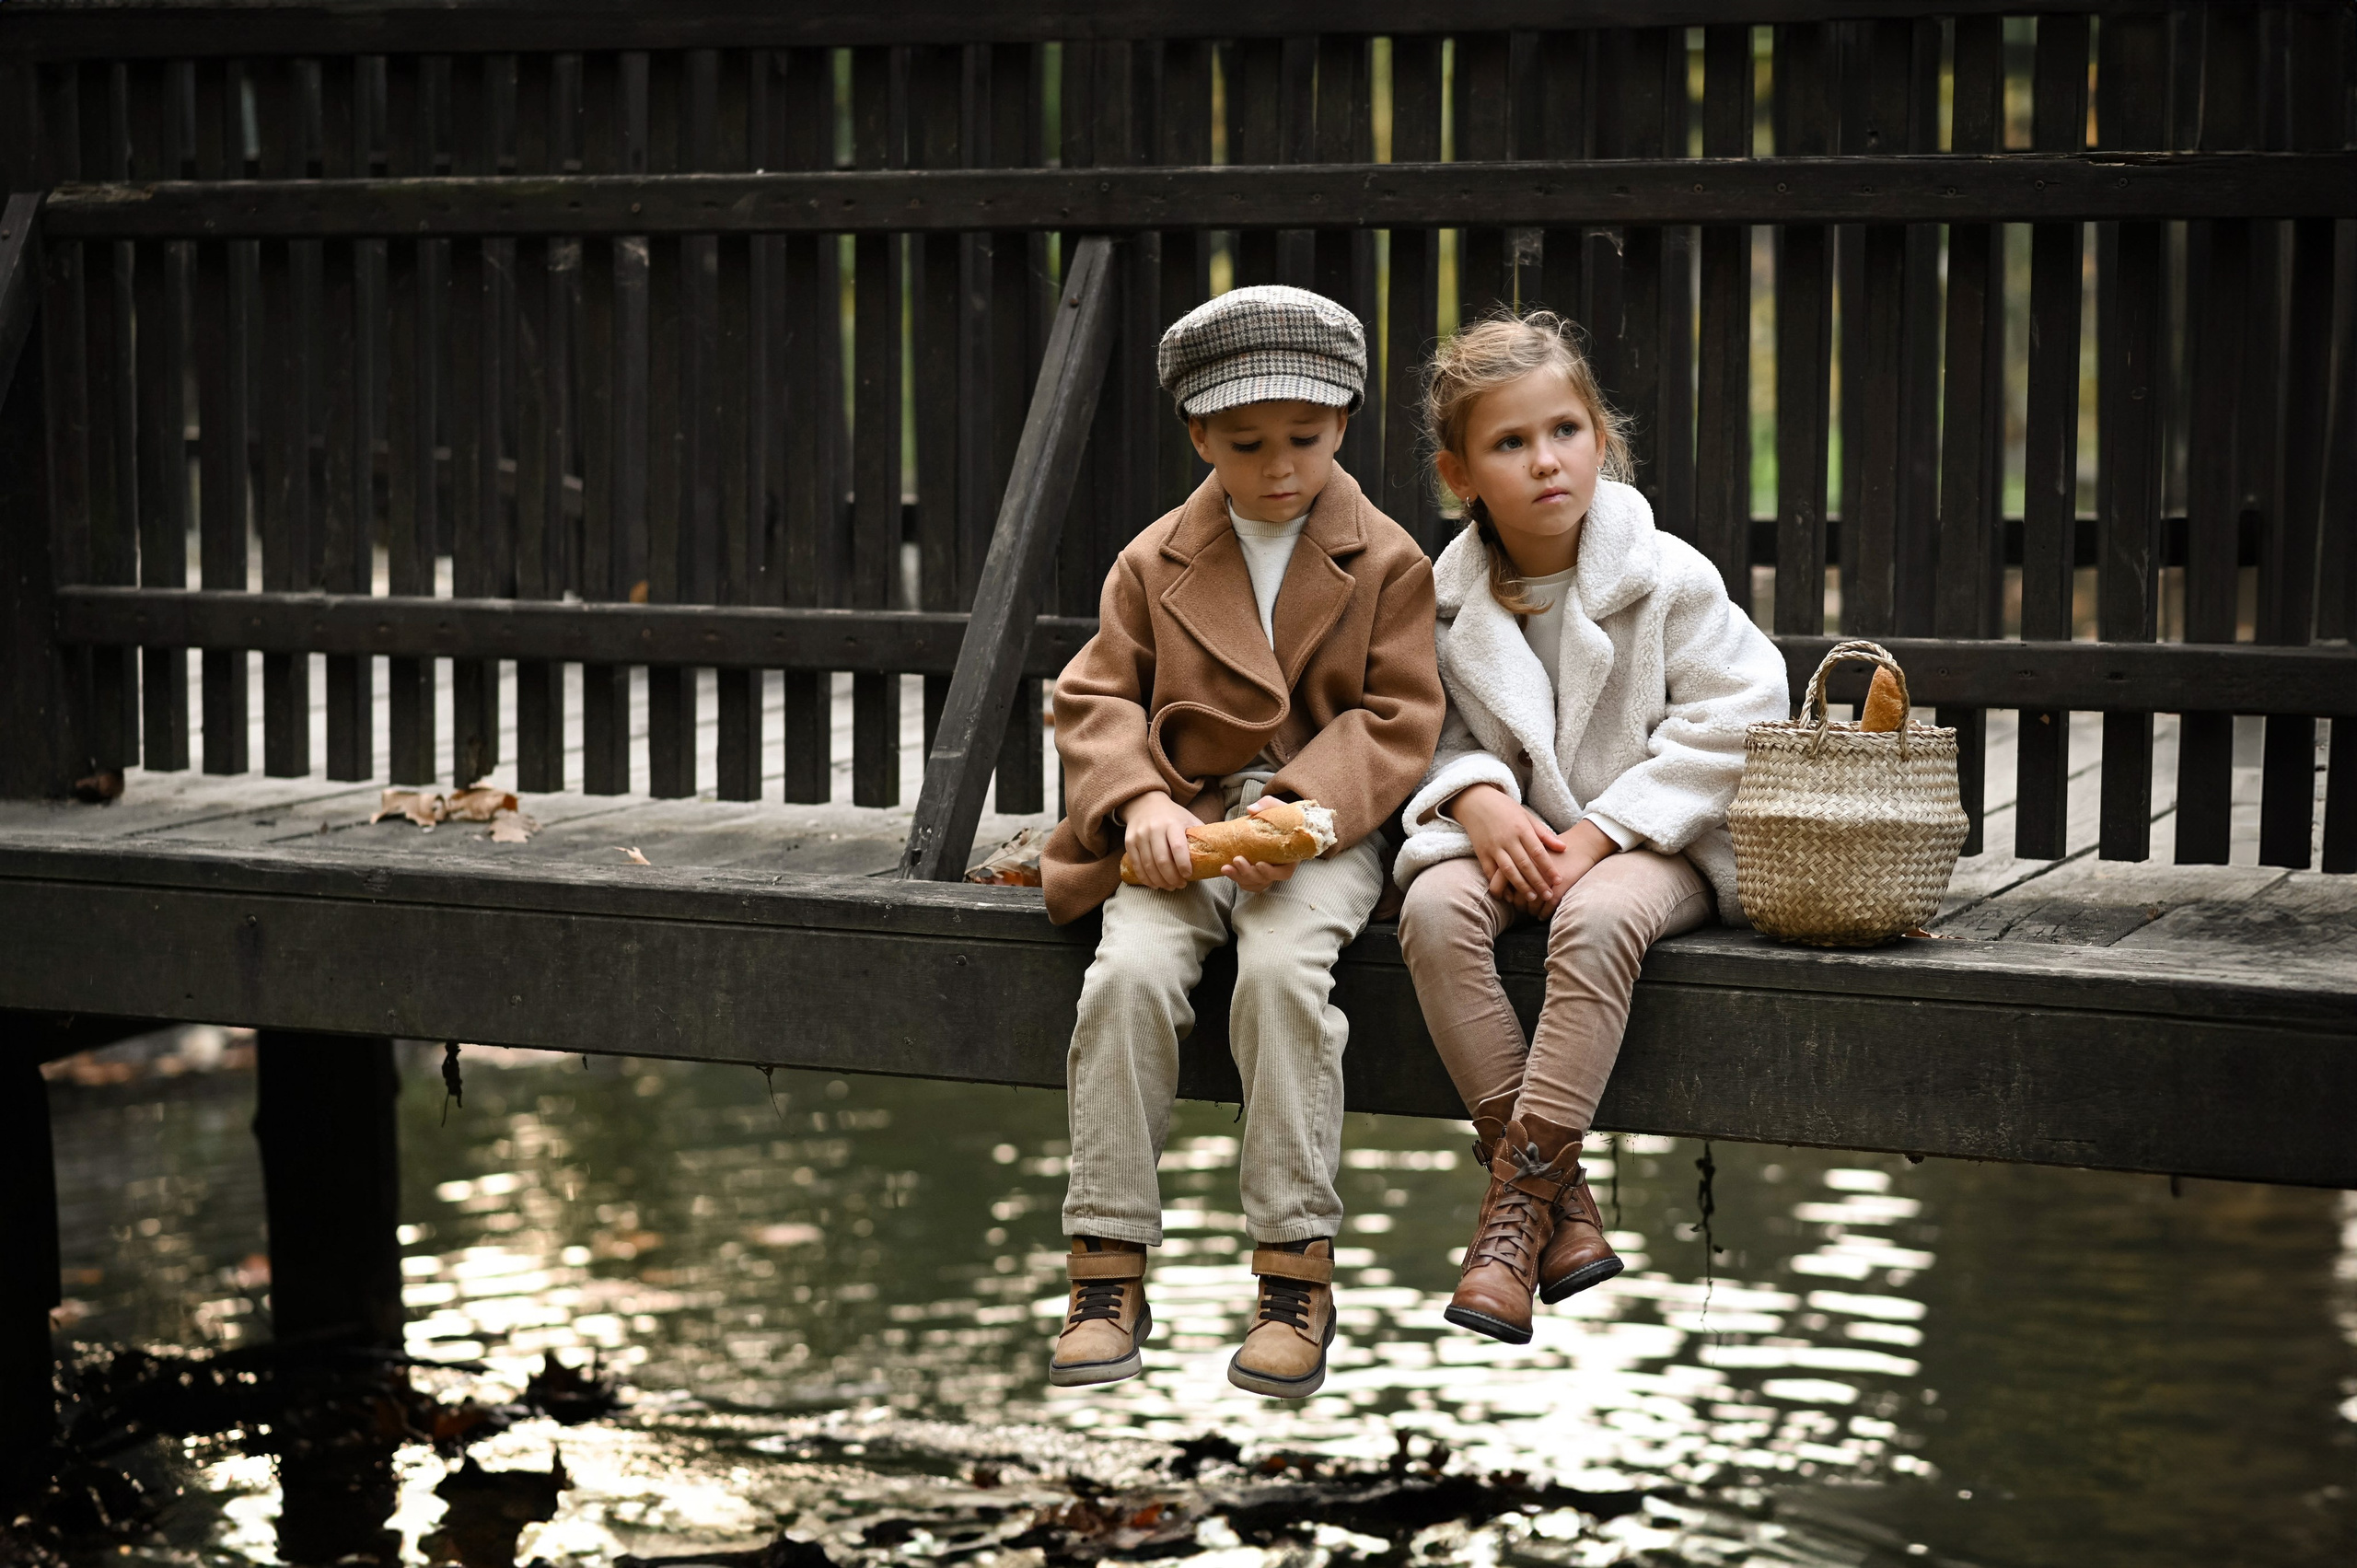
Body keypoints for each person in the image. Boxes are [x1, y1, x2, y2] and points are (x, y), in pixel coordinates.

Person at [1039, 285, 1446, 1399]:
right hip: (1178, 816)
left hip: (1317, 830)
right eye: (1245, 443)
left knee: (1277, 975)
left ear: (1345, 425)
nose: (1278, 468)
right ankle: (1105, 1263)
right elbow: (1092, 697)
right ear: (1198, 435)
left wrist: (1305, 811)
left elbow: (1398, 717)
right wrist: (1139, 806)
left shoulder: (1388, 561)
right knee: (1125, 974)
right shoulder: (1151, 559)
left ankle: (1293, 1266)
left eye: (1304, 441)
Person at [1391, 311, 1787, 1345]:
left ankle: (1512, 1212)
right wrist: (1475, 797)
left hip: (1654, 844)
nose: (1544, 460)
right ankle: (1558, 1210)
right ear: (1459, 473)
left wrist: (1608, 829)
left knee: (1597, 925)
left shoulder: (1664, 576)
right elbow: (1413, 730)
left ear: (1599, 438)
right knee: (1432, 909)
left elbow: (1744, 709)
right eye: (1508, 443)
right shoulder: (1442, 603)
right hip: (1510, 839)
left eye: (1563, 430)